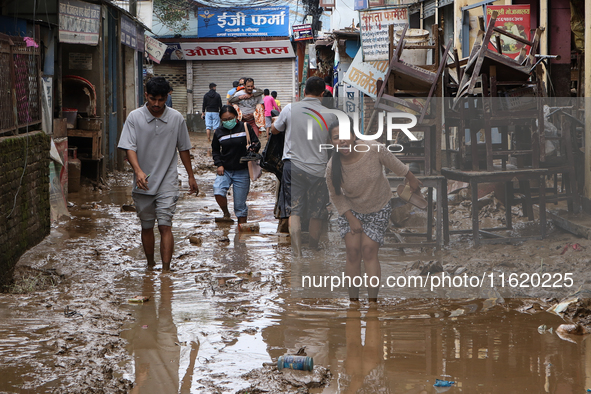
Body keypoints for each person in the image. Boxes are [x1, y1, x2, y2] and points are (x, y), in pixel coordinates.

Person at [325, 122, 421, 302]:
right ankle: (353, 303)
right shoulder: (332, 166)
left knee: (368, 251)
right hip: (350, 209)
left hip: (378, 206)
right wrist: (351, 218)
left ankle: (372, 303)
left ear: (354, 136)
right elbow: (335, 196)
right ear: (331, 141)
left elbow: (397, 165)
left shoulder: (374, 149)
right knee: (353, 252)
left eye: (345, 136)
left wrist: (412, 179)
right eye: (337, 138)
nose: (342, 142)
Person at [118, 76, 199, 271]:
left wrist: (191, 175)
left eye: (161, 100)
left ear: (167, 97)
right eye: (153, 99)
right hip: (143, 181)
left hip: (168, 181)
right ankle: (150, 264)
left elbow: (184, 149)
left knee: (165, 225)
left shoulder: (176, 118)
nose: (156, 104)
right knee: (146, 226)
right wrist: (138, 171)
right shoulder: (134, 117)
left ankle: (165, 271)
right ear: (146, 95)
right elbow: (129, 147)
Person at [270, 76, 334, 256]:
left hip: (293, 167)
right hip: (319, 168)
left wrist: (276, 123)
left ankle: (297, 253)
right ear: (322, 94)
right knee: (316, 210)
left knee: (294, 210)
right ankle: (313, 250)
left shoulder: (290, 108)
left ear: (304, 91)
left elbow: (276, 130)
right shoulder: (329, 114)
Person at [211, 105, 260, 224]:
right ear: (221, 120)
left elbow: (257, 143)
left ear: (236, 116)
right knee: (218, 191)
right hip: (225, 169)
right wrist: (219, 164)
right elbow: (215, 150)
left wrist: (253, 148)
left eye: (230, 118)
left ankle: (241, 235)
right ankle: (226, 213)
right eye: (225, 120)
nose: (228, 121)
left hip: (242, 170)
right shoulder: (219, 132)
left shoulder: (245, 127)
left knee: (240, 206)